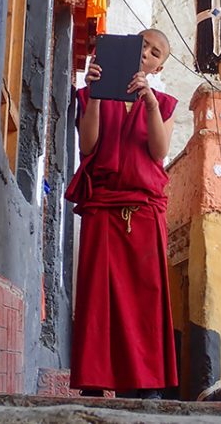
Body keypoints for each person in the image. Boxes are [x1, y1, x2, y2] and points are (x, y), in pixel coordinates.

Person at [65, 28, 179, 400]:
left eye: (155, 52)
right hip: (104, 209)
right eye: (142, 46)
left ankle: (145, 387)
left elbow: (158, 152)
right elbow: (88, 145)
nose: (147, 54)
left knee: (146, 302)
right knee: (99, 302)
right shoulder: (93, 93)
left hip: (144, 214)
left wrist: (148, 104)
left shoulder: (162, 103)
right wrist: (96, 97)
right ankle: (95, 383)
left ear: (160, 65)